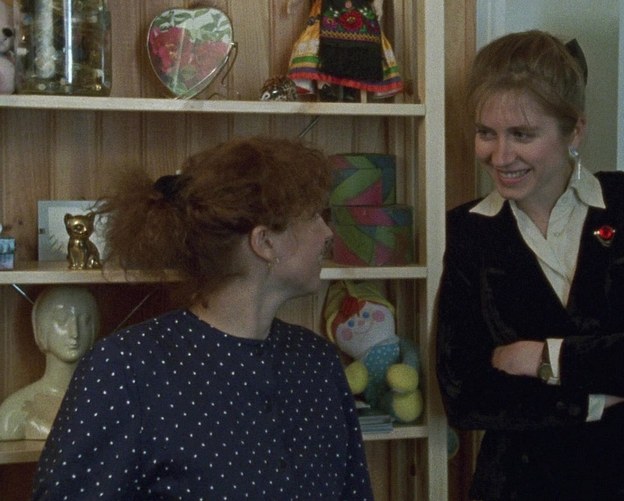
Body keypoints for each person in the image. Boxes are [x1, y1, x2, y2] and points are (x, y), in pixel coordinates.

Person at [436, 31, 624, 500]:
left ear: (575, 131)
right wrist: (615, 381)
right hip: (519, 490)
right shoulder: (464, 232)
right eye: (486, 133)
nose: (500, 156)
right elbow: (467, 396)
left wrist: (541, 358)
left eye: (522, 134)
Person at [32, 136, 374, 500]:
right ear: (265, 242)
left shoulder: (318, 363)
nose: (327, 232)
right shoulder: (125, 370)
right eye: (313, 215)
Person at [0, 285, 99, 441]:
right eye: (62, 320)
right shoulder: (13, 413)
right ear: (40, 331)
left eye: (85, 320)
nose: (75, 333)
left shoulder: (109, 403)